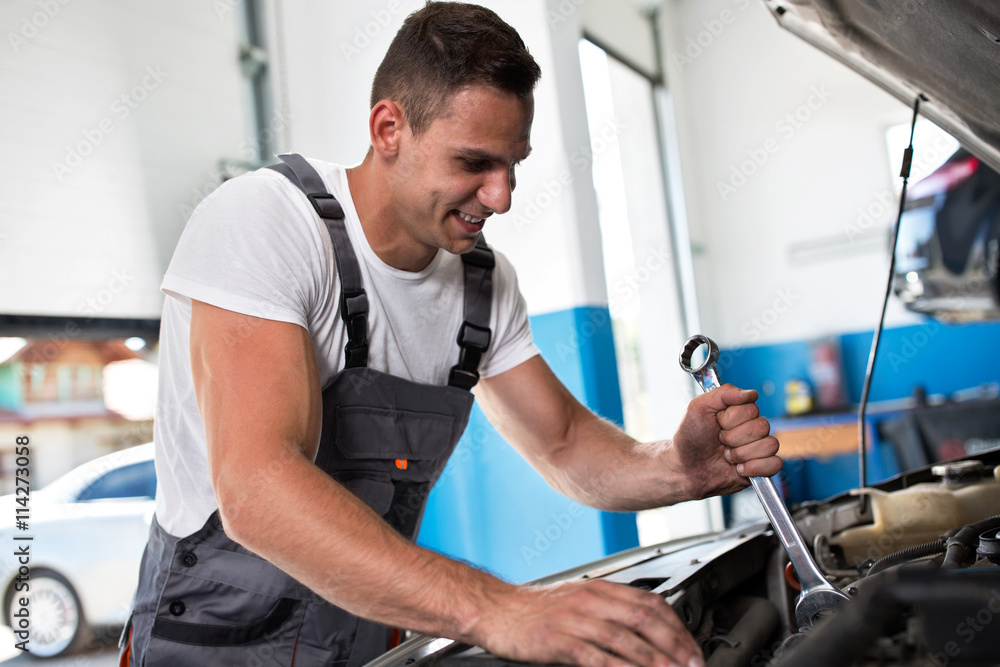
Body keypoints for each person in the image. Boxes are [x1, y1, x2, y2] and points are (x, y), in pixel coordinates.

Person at [120, 3, 781, 666]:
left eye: (513, 164)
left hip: (357, 643)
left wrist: (676, 467)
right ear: (388, 129)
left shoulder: (483, 285)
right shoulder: (266, 222)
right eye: (475, 162)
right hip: (207, 644)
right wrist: (500, 608)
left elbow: (566, 444)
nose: (501, 197)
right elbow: (257, 486)